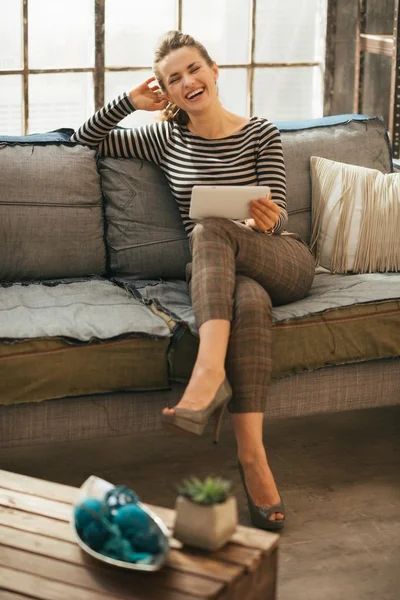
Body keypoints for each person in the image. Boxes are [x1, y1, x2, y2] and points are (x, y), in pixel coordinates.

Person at [71, 30, 315, 531]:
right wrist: (127, 102)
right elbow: (83, 142)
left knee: (209, 230)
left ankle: (207, 376)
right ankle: (254, 461)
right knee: (246, 301)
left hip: (280, 257)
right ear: (168, 92)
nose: (187, 81)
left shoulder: (260, 132)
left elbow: (279, 215)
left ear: (214, 71)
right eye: (173, 79)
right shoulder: (165, 137)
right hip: (221, 274)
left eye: (193, 69)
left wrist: (263, 222)